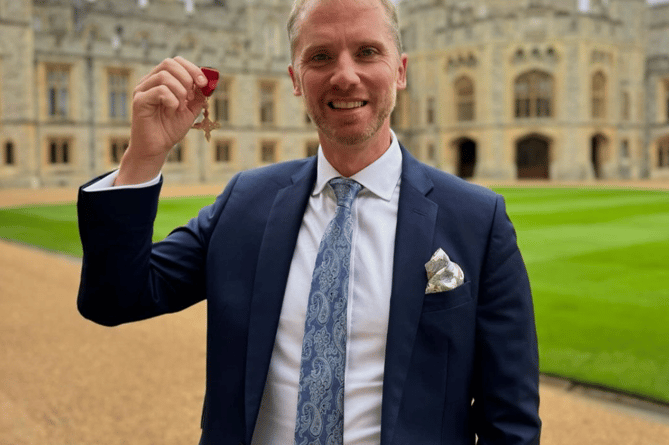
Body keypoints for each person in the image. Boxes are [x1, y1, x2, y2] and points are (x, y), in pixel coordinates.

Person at [77, 0, 542, 443]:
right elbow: (116, 298)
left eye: (367, 52)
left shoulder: (478, 221)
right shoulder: (246, 202)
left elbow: (511, 420)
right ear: (296, 79)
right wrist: (143, 156)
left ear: (400, 71)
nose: (345, 75)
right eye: (320, 57)